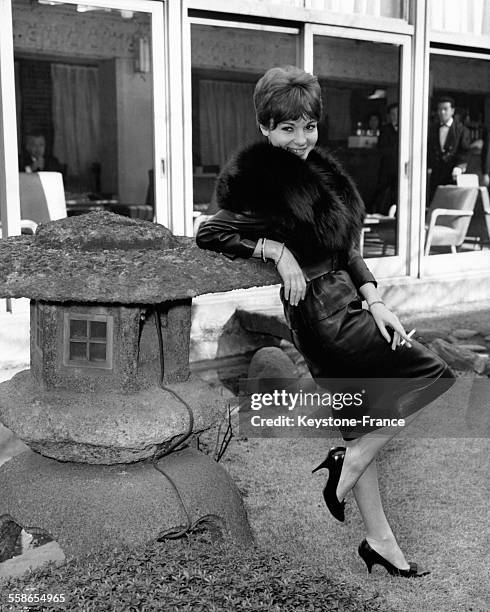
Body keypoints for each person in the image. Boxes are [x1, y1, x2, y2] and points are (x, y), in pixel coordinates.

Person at [196, 66, 455, 578]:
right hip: (321, 314)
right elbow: (211, 233)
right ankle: (349, 461)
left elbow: (346, 248)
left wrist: (376, 299)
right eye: (287, 127)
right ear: (265, 127)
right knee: (432, 374)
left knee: (363, 423)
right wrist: (275, 251)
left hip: (347, 303)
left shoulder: (322, 171)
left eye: (308, 126)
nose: (300, 139)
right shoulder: (256, 179)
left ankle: (380, 541)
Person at [427, 96, 470, 203]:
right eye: (439, 109)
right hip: (436, 173)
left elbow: (465, 151)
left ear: (452, 111)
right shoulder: (432, 129)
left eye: (445, 109)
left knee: (451, 202)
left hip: (452, 173)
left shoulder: (461, 130)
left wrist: (459, 167)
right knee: (435, 201)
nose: (442, 112)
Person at [370, 103, 399, 215]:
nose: (395, 116)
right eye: (393, 114)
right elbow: (381, 147)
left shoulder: (406, 128)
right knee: (382, 190)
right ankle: (378, 211)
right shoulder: (385, 129)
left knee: (397, 192)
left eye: (397, 113)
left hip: (400, 167)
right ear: (389, 116)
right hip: (387, 166)